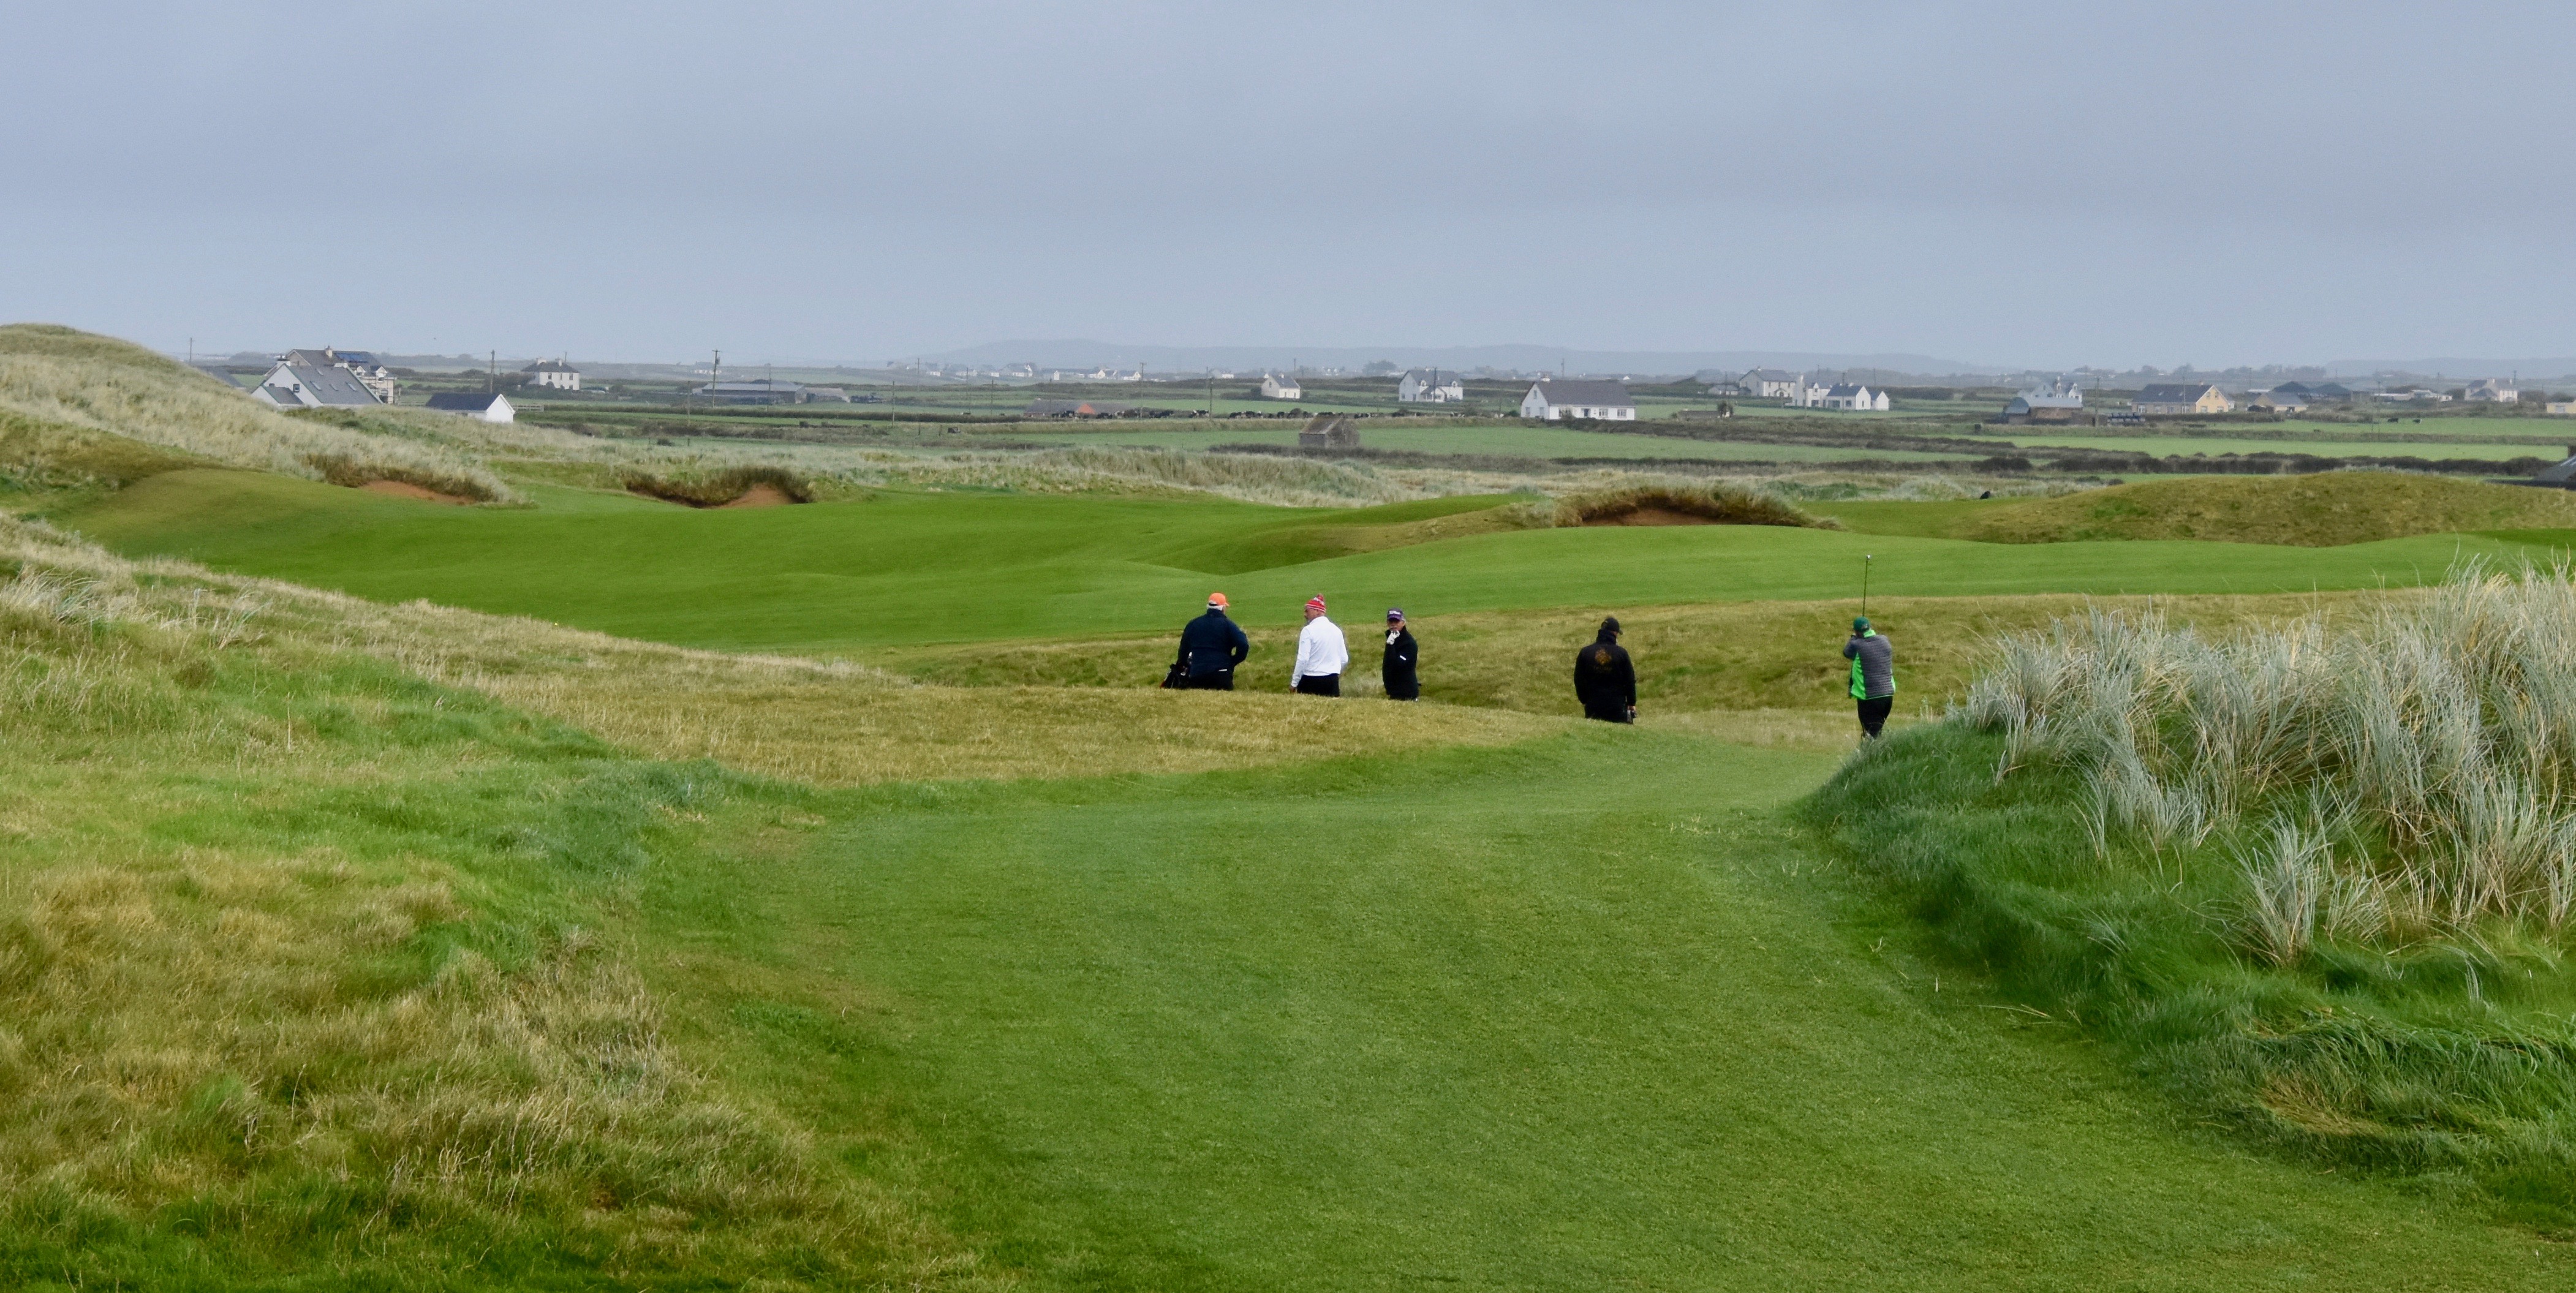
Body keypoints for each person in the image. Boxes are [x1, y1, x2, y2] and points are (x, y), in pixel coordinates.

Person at [1171, 592, 1250, 690]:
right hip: (1222, 675)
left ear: (1208, 607)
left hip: (1197, 674)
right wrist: (1232, 662)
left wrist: (1185, 664)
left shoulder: (1194, 624)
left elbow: (1183, 650)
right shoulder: (1228, 625)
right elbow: (1244, 645)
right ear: (1223, 608)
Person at [1573, 617, 1636, 723]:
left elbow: (1578, 679)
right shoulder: (1621, 654)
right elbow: (1630, 680)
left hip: (1593, 705)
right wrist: (1631, 703)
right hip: (1617, 707)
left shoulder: (1586, 652)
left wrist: (1584, 700)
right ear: (1615, 633)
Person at [1845, 616, 1895, 738]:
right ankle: (1872, 755)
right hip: (1888, 695)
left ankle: (1874, 756)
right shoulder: (1884, 640)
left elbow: (1847, 653)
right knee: (1876, 731)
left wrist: (1853, 638)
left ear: (1856, 631)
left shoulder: (1856, 645)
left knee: (1871, 735)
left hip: (1869, 697)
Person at [1290, 595, 1349, 696]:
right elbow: (1344, 659)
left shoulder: (1308, 630)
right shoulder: (1336, 630)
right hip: (1331, 681)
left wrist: (1294, 683)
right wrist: (1334, 673)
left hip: (1310, 680)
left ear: (1317, 611)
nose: (1305, 614)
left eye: (1307, 611)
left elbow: (1303, 659)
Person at [1381, 609, 1419, 701]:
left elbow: (1397, 665)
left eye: (1397, 621)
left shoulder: (1409, 643)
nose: (1393, 624)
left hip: (1407, 694)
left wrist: (1390, 644)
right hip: (1394, 693)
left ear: (1403, 623)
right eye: (1391, 621)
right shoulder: (1392, 639)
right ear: (1387, 622)